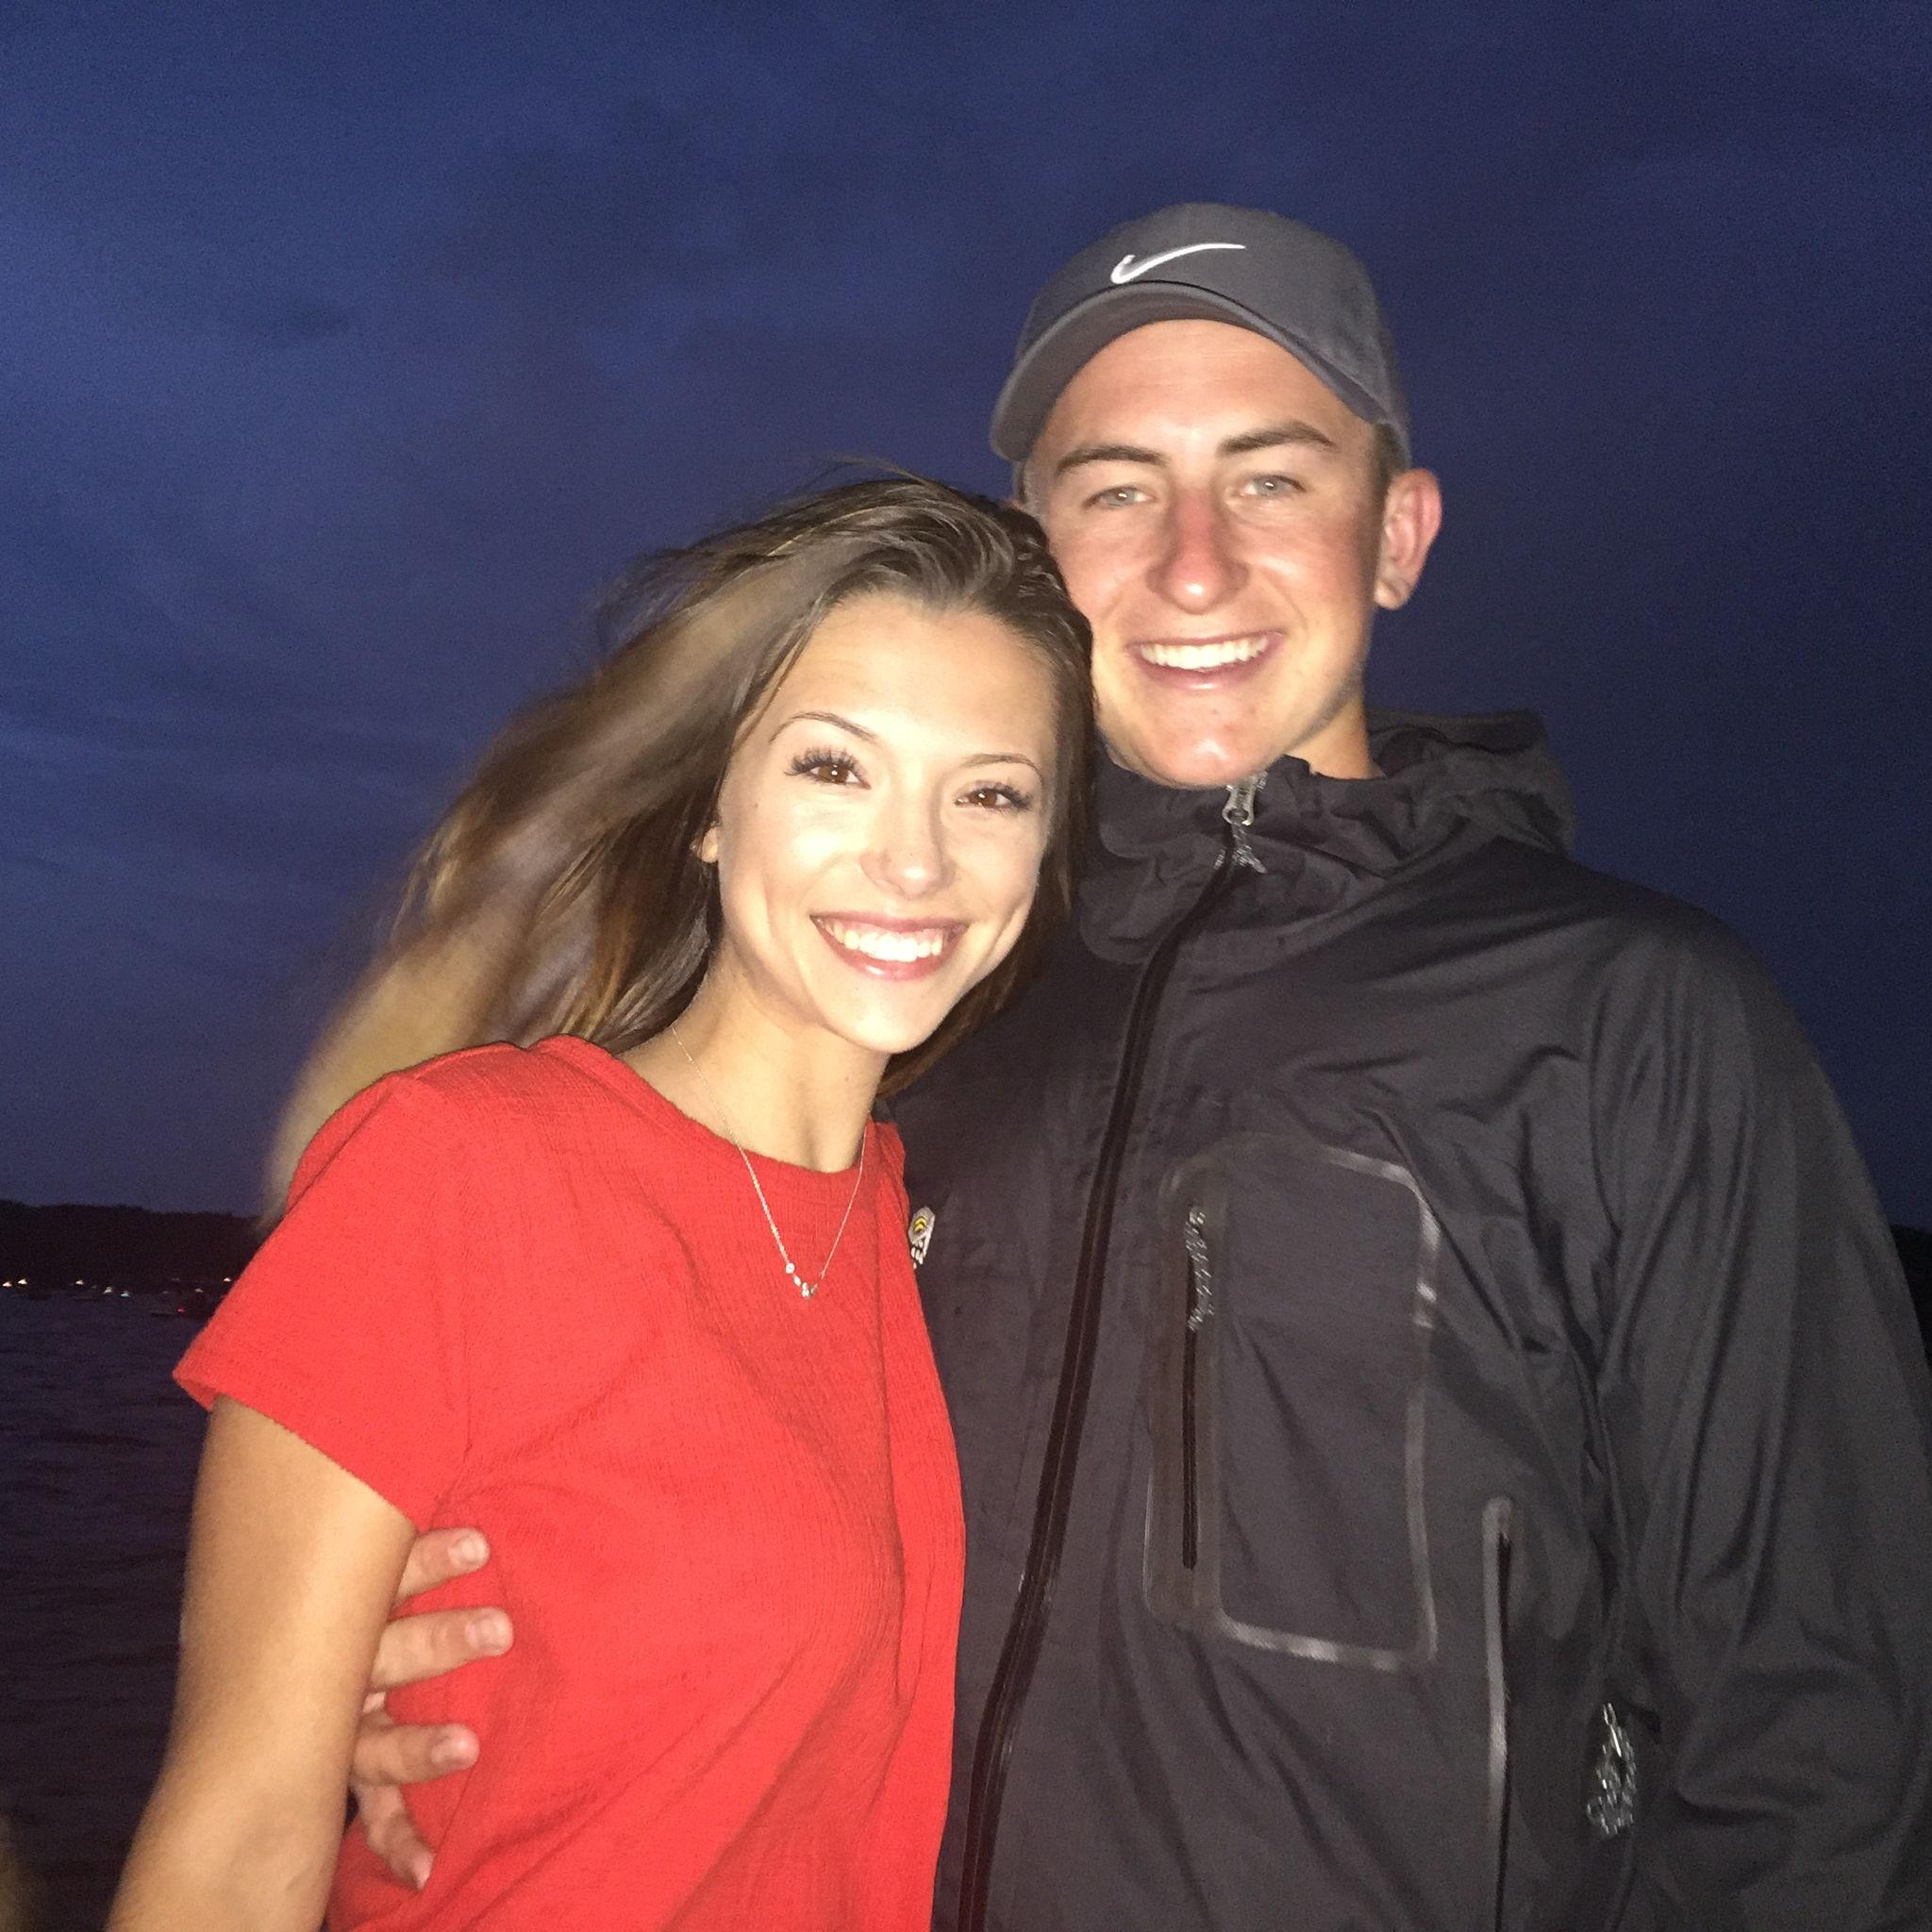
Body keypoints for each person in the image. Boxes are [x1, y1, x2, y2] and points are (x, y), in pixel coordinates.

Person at [358, 207, 1932, 1928]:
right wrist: (435, 1656)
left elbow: (1822, 1732)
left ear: (1398, 533)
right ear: (1038, 554)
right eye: (1117, 490)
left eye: (1272, 480)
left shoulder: (1633, 1017)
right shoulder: (915, 1009)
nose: (1193, 566)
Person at [106, 477, 1093, 1932]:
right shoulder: (459, 1169)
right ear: (709, 813)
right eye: (836, 767)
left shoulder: (961, 1222)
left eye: (991, 792)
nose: (915, 860)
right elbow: (240, 1840)